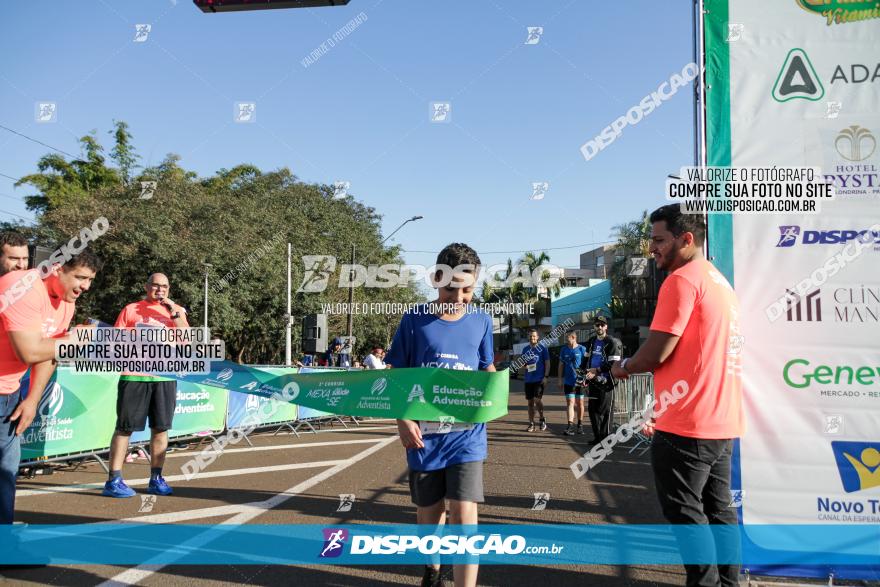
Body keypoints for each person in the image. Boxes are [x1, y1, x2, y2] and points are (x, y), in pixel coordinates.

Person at [611, 204, 743, 587]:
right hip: (722, 421)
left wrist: (624, 367)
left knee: (686, 514)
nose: (651, 248)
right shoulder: (720, 282)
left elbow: (657, 352)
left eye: (658, 240)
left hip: (688, 422)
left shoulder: (682, 280)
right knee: (719, 511)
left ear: (687, 240)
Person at [385, 242, 494, 587]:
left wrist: (495, 391)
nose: (459, 297)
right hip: (424, 437)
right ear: (435, 279)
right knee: (430, 514)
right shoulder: (415, 320)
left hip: (467, 435)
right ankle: (432, 570)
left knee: (465, 516)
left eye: (468, 290)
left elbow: (486, 366)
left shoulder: (481, 321)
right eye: (451, 288)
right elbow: (396, 373)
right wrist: (403, 419)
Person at [0, 250, 102, 525]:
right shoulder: (21, 286)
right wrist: (73, 340)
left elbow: (49, 354)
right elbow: (29, 351)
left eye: (90, 279)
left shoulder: (67, 302)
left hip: (8, 394)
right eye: (80, 277)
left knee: (6, 473)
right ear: (56, 268)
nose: (85, 286)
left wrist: (32, 399)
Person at [104, 273, 189, 498]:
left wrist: (175, 313)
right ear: (147, 286)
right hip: (134, 376)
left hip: (165, 377)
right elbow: (114, 341)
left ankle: (156, 478)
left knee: (161, 428)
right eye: (155, 285)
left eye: (164, 286)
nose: (160, 290)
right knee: (124, 428)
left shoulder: (176, 311)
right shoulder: (131, 309)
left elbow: (188, 341)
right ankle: (113, 479)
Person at [582, 315, 622, 444]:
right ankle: (598, 438)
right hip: (593, 381)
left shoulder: (612, 342)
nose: (599, 327)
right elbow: (585, 360)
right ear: (594, 326)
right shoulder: (591, 341)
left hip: (606, 382)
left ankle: (606, 440)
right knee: (593, 411)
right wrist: (583, 374)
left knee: (606, 412)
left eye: (602, 325)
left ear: (606, 327)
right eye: (597, 325)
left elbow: (614, 364)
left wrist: (597, 370)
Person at [557, 331, 587, 436]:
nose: (566, 340)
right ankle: (570, 426)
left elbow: (587, 365)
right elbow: (560, 365)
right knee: (570, 402)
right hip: (568, 381)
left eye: (567, 338)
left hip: (580, 381)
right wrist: (560, 379)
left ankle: (580, 425)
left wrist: (586, 379)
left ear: (573, 337)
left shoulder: (582, 349)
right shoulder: (563, 349)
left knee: (580, 403)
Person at [521, 329, 549, 432]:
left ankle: (542, 418)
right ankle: (531, 423)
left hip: (539, 379)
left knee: (537, 400)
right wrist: (525, 366)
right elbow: (523, 364)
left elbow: (547, 363)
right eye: (530, 336)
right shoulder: (525, 349)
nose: (532, 338)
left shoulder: (543, 348)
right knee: (530, 403)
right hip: (528, 379)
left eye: (534, 336)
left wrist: (546, 376)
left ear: (537, 337)